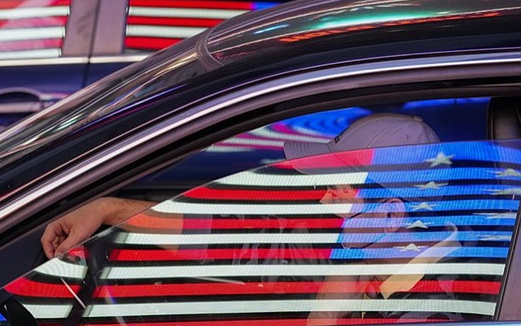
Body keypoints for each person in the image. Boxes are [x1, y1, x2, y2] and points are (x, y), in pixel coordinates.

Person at [42, 113, 442, 259]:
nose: (321, 195)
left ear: (391, 214)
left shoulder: (424, 310)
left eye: (340, 188)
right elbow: (219, 233)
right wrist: (107, 210)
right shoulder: (330, 245)